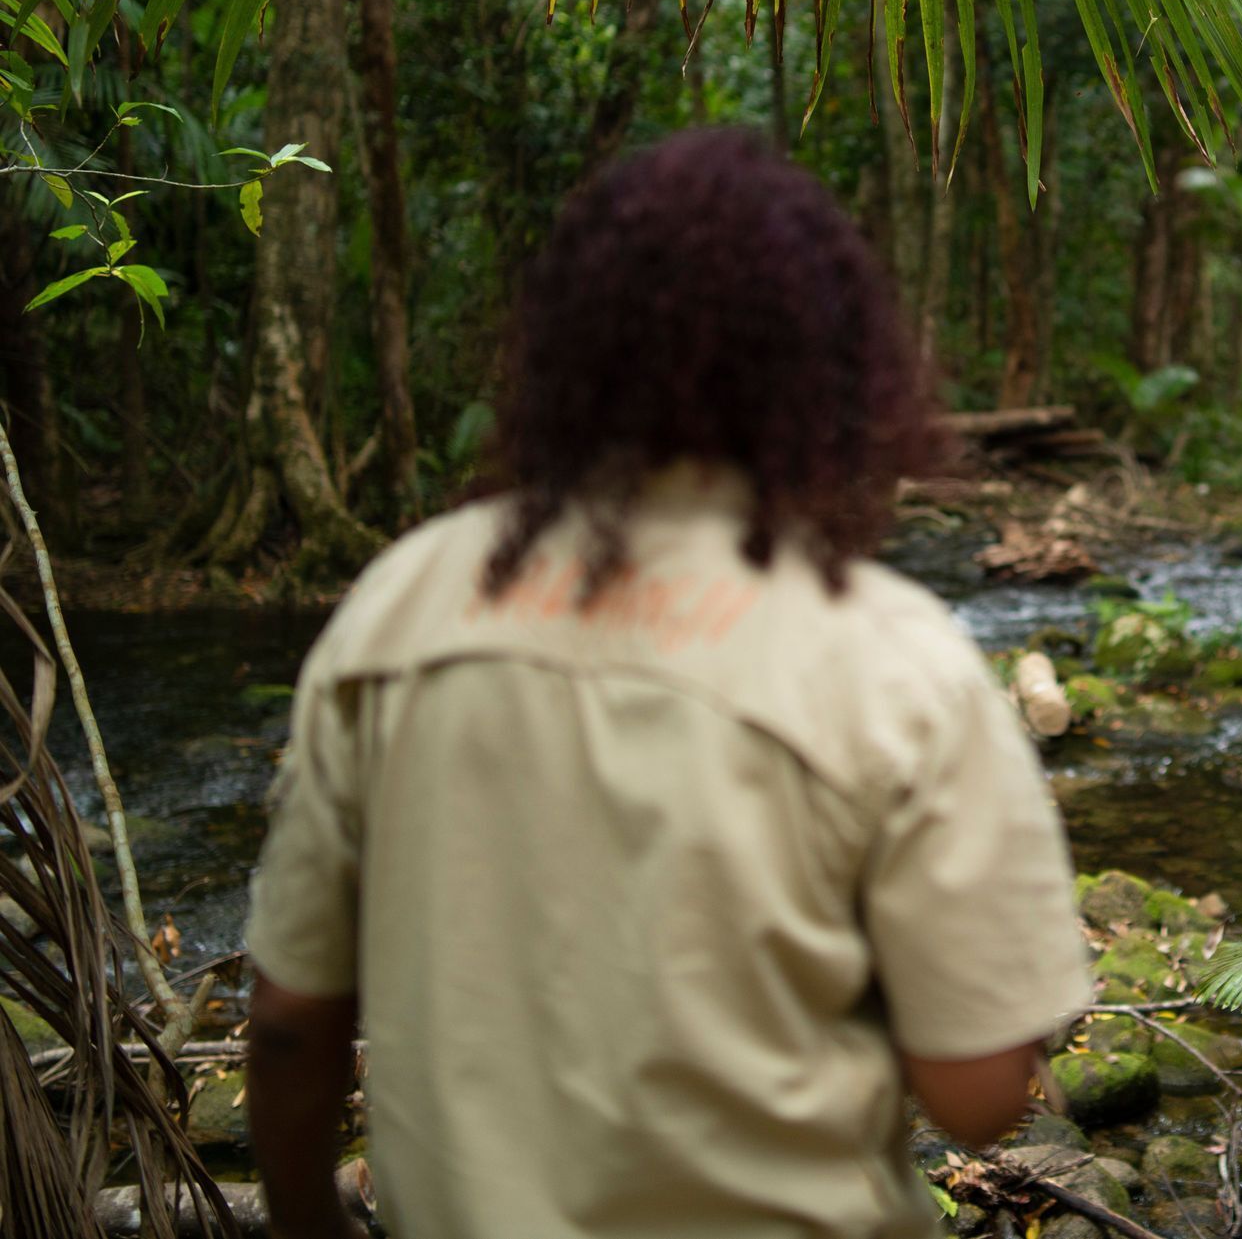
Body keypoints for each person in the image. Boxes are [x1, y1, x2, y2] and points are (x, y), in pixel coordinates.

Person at [243, 128, 1089, 1239]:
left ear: (565, 352)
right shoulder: (886, 656)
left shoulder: (404, 604)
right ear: (830, 373)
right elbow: (979, 1094)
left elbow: (294, 1018)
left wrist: (307, 1218)